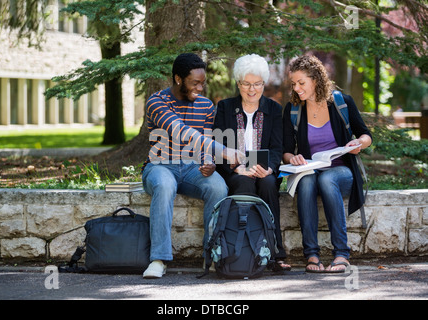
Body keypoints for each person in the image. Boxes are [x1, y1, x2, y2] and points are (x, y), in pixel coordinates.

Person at [142, 53, 241, 279]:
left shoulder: (206, 106)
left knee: (218, 187)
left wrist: (210, 160)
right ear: (178, 79)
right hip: (160, 166)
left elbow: (204, 139)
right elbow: (180, 131)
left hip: (191, 168)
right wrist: (224, 151)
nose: (201, 87)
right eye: (195, 83)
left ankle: (212, 254)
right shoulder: (157, 102)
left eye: (203, 83)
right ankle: (159, 259)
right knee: (165, 185)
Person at [282, 55, 372, 273]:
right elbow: (285, 150)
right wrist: (292, 158)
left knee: (328, 177)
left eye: (301, 83)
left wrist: (359, 143)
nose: (297, 88)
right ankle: (311, 255)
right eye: (294, 84)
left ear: (316, 79)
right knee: (307, 183)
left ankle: (342, 254)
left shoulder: (342, 102)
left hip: (341, 172)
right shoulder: (293, 109)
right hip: (309, 170)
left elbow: (366, 135)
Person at [213, 54, 291, 271]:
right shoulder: (225, 108)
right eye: (246, 84)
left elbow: (277, 148)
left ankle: (275, 253)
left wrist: (269, 168)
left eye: (257, 84)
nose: (251, 89)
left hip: (263, 169)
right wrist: (235, 167)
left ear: (263, 84)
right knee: (244, 185)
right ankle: (245, 252)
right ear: (238, 83)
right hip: (235, 169)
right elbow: (218, 147)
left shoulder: (274, 109)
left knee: (267, 185)